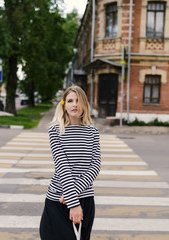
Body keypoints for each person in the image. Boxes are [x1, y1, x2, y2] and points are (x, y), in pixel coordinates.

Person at [39, 85, 101, 240]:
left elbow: (95, 166)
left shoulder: (92, 131)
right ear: (64, 105)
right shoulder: (55, 131)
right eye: (70, 101)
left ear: (84, 104)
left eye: (78, 101)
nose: (75, 105)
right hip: (57, 200)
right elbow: (62, 166)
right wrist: (73, 202)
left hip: (84, 199)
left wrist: (72, 196)